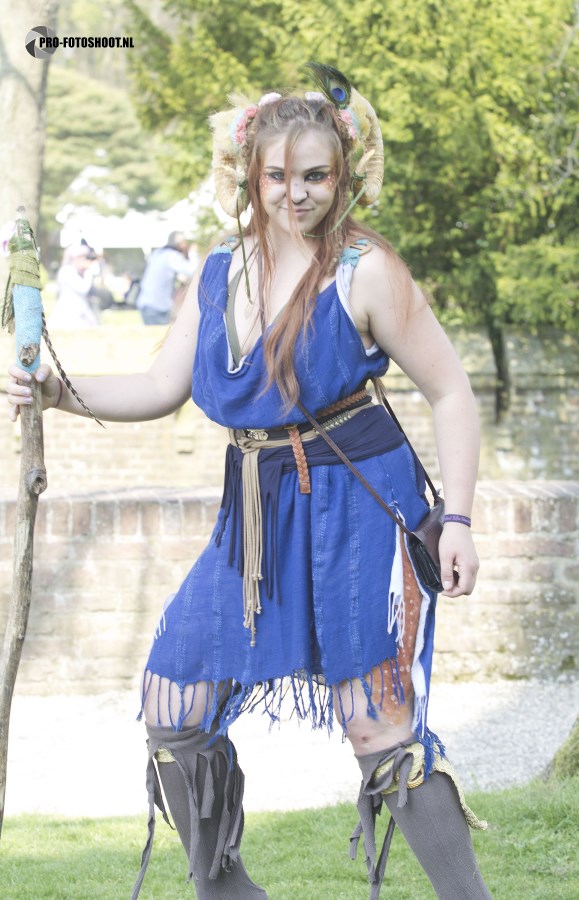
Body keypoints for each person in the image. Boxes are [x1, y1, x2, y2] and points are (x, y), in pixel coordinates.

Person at [7, 65, 492, 899]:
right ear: (249, 174)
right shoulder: (218, 272)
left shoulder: (365, 270)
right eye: (278, 175)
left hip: (360, 506)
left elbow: (451, 391)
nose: (295, 194)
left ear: (342, 175)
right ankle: (227, 892)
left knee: (376, 724)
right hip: (257, 515)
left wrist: (459, 521)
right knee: (173, 701)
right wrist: (58, 392)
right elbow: (159, 386)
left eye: (316, 176)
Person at [136, 230, 196, 325]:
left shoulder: (158, 253)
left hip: (147, 304)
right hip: (157, 307)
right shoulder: (171, 256)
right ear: (180, 243)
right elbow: (193, 271)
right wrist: (193, 253)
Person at [49, 242, 101, 328]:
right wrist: (89, 272)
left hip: (79, 309)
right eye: (82, 258)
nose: (84, 261)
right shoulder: (67, 270)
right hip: (70, 311)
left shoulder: (73, 270)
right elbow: (83, 289)